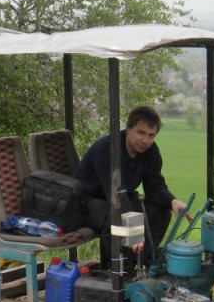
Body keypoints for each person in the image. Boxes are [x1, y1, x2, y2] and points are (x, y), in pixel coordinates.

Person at [73, 105, 189, 271]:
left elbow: (154, 185)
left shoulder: (151, 152)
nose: (146, 141)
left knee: (160, 211)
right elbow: (116, 193)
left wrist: (172, 201)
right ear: (128, 129)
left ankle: (141, 263)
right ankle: (117, 275)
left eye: (151, 135)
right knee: (116, 220)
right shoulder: (106, 148)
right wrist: (133, 229)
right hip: (87, 201)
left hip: (119, 197)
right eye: (141, 133)